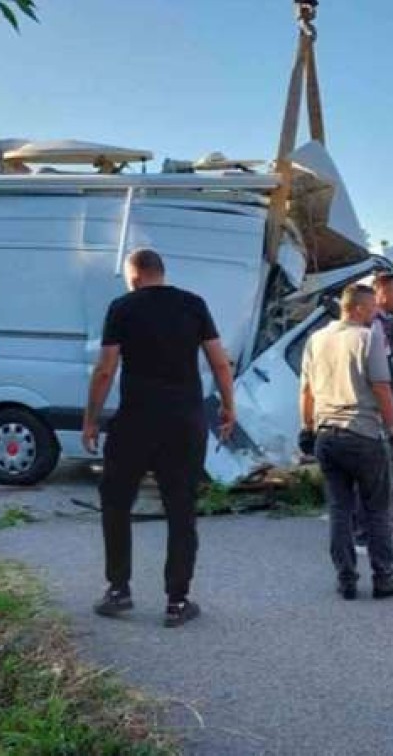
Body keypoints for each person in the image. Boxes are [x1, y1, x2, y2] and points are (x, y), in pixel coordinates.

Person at [82, 248, 236, 629]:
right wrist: (228, 407)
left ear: (134, 275)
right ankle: (177, 602)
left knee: (116, 502)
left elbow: (105, 370)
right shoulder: (194, 304)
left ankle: (118, 590)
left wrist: (91, 420)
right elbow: (219, 361)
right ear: (161, 272)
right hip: (184, 423)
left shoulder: (122, 307)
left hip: (135, 422)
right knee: (181, 509)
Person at [300, 284, 393, 600]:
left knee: (339, 509)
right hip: (362, 434)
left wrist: (306, 429)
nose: (376, 313)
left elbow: (306, 390)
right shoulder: (368, 337)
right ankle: (383, 578)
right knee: (376, 510)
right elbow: (382, 388)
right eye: (373, 307)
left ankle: (346, 579)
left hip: (326, 436)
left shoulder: (316, 339)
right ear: (359, 308)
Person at [352, 272, 393, 556]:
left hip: (369, 415)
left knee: (365, 480)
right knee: (372, 480)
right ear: (380, 293)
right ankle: (366, 536)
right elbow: (379, 382)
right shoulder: (370, 328)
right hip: (371, 416)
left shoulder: (382, 323)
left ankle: (359, 534)